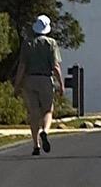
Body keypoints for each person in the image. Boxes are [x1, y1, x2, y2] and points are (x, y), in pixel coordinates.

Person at [10, 15, 63, 156]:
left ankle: (35, 145)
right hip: (45, 79)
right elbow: (56, 67)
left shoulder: (28, 43)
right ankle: (45, 131)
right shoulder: (51, 43)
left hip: (29, 80)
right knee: (47, 111)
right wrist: (61, 84)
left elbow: (22, 66)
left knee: (33, 113)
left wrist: (17, 85)